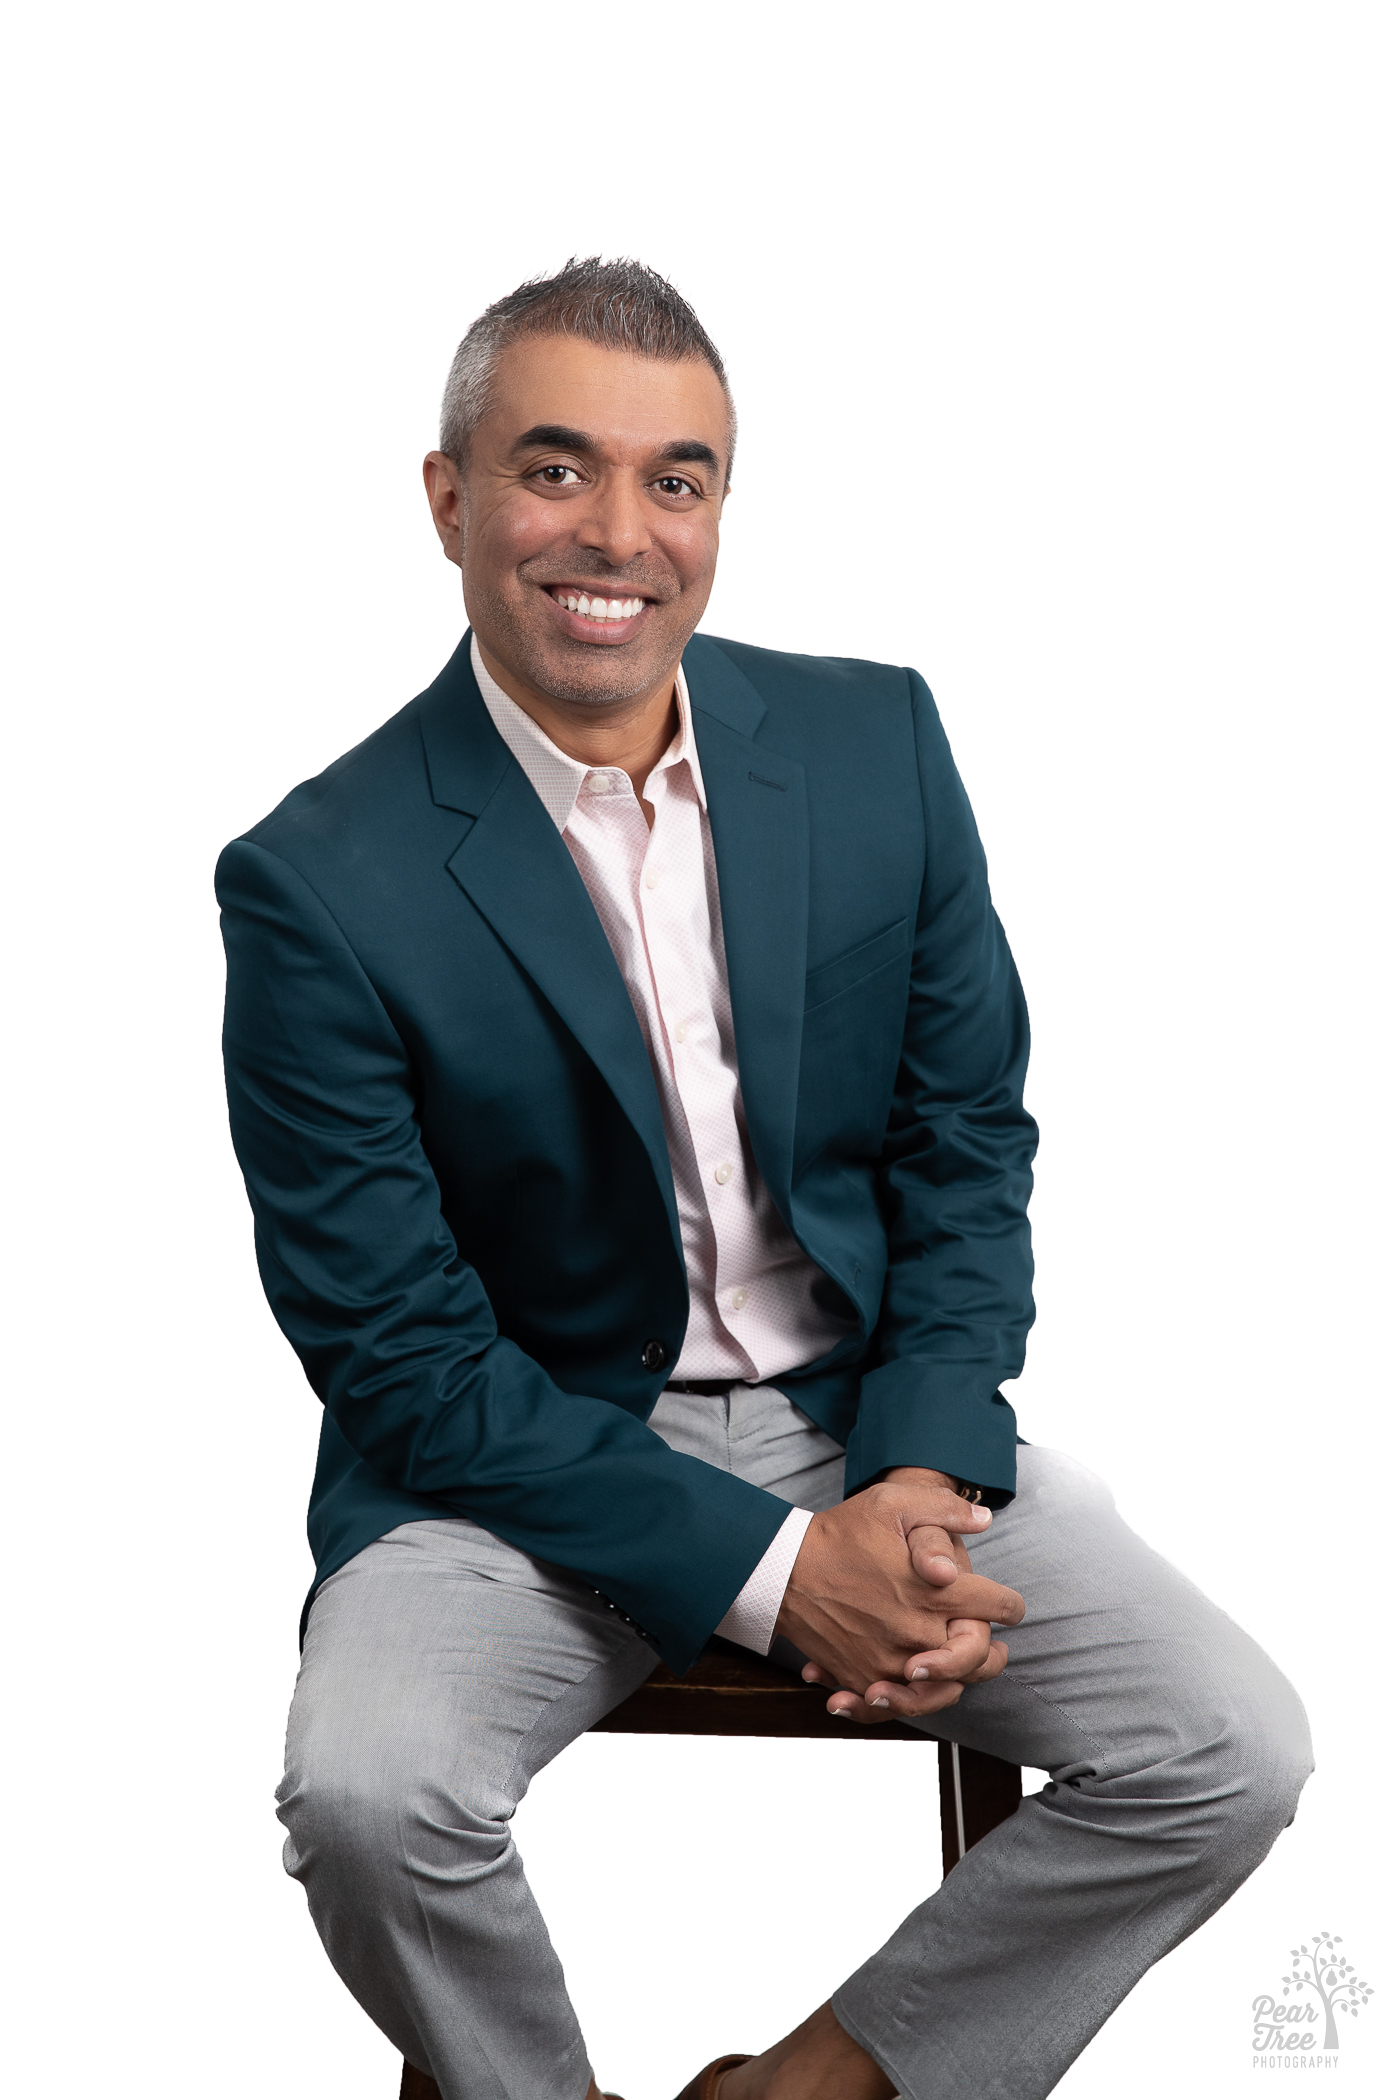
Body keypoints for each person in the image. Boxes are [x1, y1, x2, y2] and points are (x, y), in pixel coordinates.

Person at [217, 258, 1311, 2100]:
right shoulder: (317, 877)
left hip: (864, 1421)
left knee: (1231, 1744)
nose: (619, 535)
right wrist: (784, 1574)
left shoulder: (876, 745)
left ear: (720, 504)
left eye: (678, 479)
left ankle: (820, 2092)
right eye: (556, 470)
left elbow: (963, 1142)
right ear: (450, 499)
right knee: (369, 1796)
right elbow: (402, 1353)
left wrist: (911, 1477)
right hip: (510, 1468)